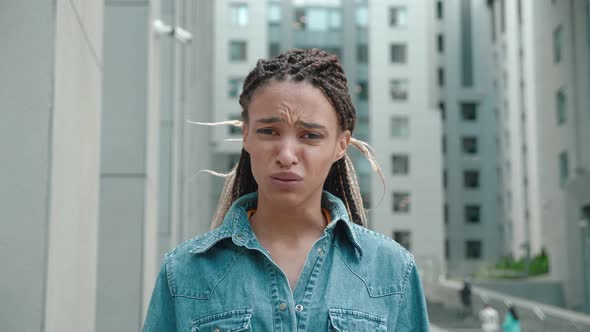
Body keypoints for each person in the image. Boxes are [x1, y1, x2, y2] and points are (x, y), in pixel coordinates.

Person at [143, 48, 429, 331]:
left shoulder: (392, 271)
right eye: (268, 131)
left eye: (310, 136)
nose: (286, 155)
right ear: (245, 135)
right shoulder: (184, 272)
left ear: (341, 145)